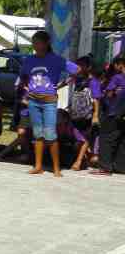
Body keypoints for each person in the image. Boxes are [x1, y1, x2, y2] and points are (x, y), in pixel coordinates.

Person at [20, 31, 79, 177]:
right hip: (33, 101)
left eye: (38, 42)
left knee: (50, 135)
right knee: (38, 134)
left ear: (46, 43)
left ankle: (56, 168)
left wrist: (63, 84)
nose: (35, 45)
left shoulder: (56, 60)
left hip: (49, 102)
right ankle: (38, 166)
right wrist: (28, 89)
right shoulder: (29, 60)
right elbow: (23, 77)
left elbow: (77, 70)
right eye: (33, 42)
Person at [93, 56, 125, 175]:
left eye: (115, 65)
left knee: (105, 138)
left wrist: (107, 92)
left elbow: (109, 94)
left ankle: (105, 167)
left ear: (119, 64)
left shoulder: (117, 77)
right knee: (120, 139)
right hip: (123, 114)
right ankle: (121, 167)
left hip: (114, 112)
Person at [69, 56, 101, 143]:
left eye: (81, 65)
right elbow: (65, 82)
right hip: (76, 115)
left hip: (88, 117)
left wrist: (95, 115)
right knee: (78, 139)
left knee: (86, 139)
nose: (78, 68)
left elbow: (96, 99)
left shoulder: (93, 81)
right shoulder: (78, 80)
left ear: (88, 67)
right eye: (77, 65)